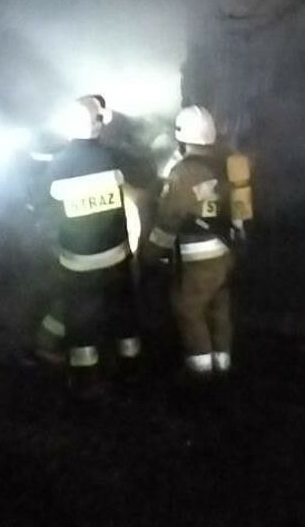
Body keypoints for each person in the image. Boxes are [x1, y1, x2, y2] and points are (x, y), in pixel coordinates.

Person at [143, 105, 250, 383]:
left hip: (200, 256)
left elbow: (168, 221)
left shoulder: (183, 172)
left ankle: (201, 375)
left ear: (182, 137)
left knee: (187, 308)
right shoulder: (226, 162)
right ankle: (222, 365)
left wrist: (150, 255)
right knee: (218, 307)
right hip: (227, 250)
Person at [43, 95, 142, 395]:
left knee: (80, 317)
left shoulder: (57, 166)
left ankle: (87, 380)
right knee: (123, 310)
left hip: (77, 261)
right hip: (116, 255)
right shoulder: (114, 158)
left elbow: (42, 208)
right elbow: (145, 177)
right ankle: (132, 369)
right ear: (98, 124)